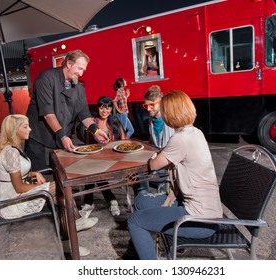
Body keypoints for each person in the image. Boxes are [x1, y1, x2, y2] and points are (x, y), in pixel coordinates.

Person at [127, 90, 223, 260]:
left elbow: (153, 165)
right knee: (141, 202)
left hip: (199, 219)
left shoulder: (180, 139)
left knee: (135, 221)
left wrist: (154, 157)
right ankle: (140, 248)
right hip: (205, 209)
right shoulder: (195, 132)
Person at [0, 114, 98, 256]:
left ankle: (71, 233)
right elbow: (18, 187)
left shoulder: (13, 148)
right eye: (25, 126)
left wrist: (33, 174)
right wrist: (44, 187)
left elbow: (16, 173)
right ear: (14, 130)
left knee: (60, 194)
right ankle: (74, 228)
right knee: (59, 188)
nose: (30, 129)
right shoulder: (11, 152)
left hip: (17, 194)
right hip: (12, 203)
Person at [25, 49, 109, 171]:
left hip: (60, 139)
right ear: (68, 64)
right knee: (40, 179)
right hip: (39, 138)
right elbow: (48, 114)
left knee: (61, 177)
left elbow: (84, 114)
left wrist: (96, 130)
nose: (81, 74)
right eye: (79, 68)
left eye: (83, 70)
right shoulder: (46, 78)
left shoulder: (79, 87)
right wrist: (63, 136)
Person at [81, 96, 127, 217]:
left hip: (111, 157)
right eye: (102, 107)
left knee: (93, 173)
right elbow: (86, 142)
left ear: (111, 109)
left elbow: (123, 140)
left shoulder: (114, 121)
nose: (104, 111)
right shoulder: (93, 122)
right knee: (94, 172)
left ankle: (89, 202)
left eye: (107, 108)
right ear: (98, 108)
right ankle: (112, 200)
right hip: (95, 157)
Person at [133, 85, 175, 196]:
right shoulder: (151, 120)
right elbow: (153, 142)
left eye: (152, 105)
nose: (148, 109)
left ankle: (144, 200)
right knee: (134, 174)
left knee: (138, 174)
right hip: (160, 163)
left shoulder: (170, 119)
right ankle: (143, 200)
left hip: (170, 166)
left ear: (161, 103)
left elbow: (171, 148)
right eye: (145, 105)